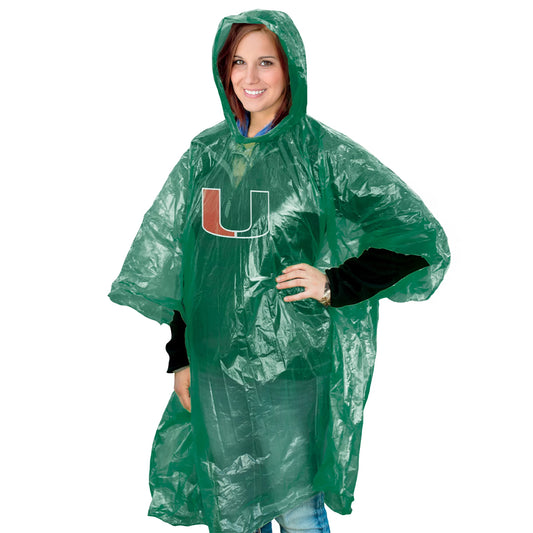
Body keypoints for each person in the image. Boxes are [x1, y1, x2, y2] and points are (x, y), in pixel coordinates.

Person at [108, 9, 450, 533]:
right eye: (238, 62)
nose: (250, 77)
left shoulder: (319, 153)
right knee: (232, 507)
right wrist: (182, 357)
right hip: (216, 365)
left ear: (291, 68)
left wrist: (335, 283)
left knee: (296, 509)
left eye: (265, 62)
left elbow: (417, 237)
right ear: (223, 70)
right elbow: (183, 263)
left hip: (290, 367)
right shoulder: (206, 154)